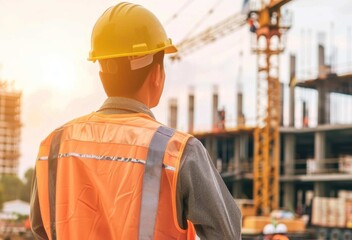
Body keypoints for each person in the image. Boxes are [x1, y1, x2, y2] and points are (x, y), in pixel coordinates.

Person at [30, 2, 241, 239]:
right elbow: (227, 233)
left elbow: (41, 229)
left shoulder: (55, 145)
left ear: (102, 76)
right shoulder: (179, 152)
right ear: (157, 75)